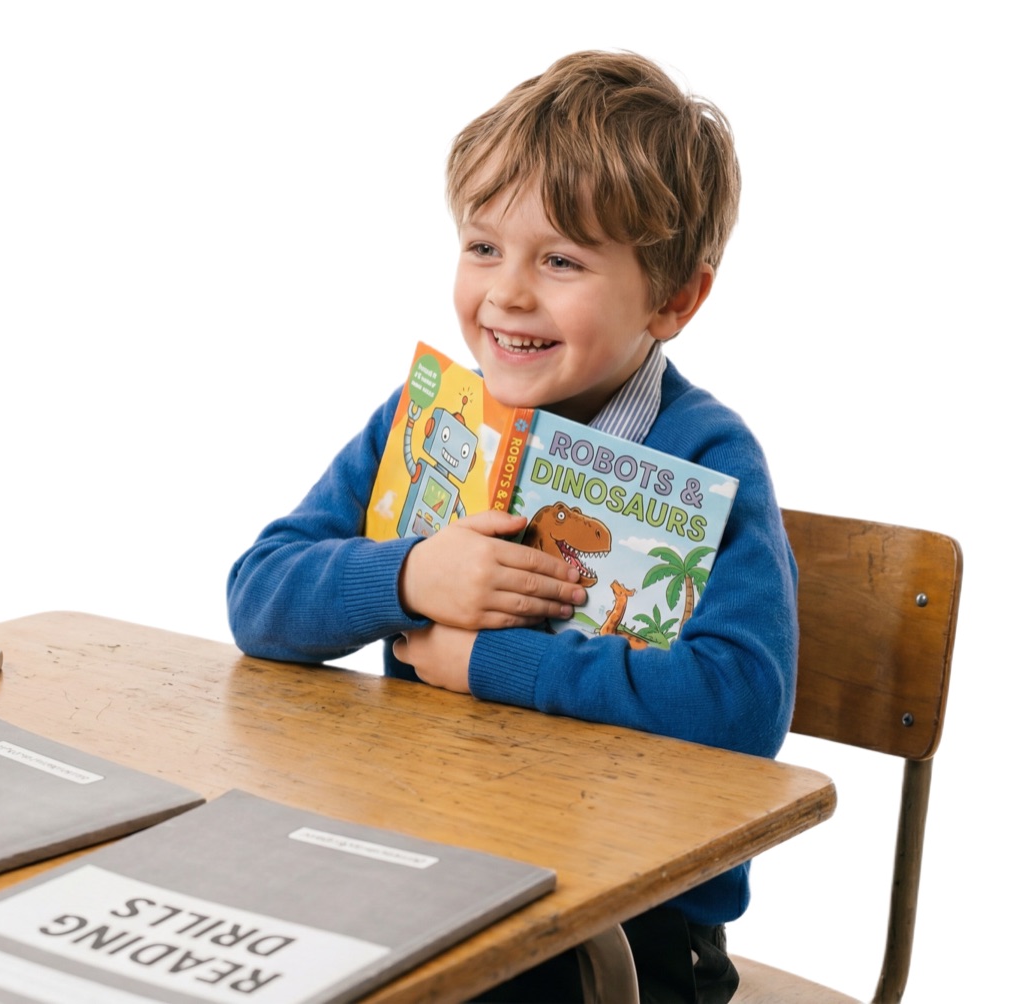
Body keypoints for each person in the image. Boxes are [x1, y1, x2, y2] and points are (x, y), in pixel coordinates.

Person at [226, 50, 797, 1004]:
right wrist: (410, 579)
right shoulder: (430, 421)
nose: (508, 294)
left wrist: (484, 663)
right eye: (483, 246)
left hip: (629, 927)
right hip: (424, 867)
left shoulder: (707, 456)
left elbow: (737, 705)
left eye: (562, 260)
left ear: (675, 299)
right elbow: (260, 596)